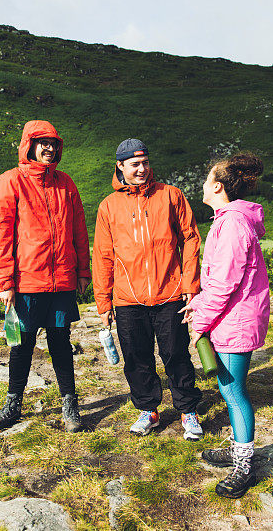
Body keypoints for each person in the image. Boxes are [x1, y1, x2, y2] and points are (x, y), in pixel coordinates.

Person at [93, 138, 204, 440]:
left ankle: (188, 411)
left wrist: (190, 284)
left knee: (176, 355)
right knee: (137, 359)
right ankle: (148, 410)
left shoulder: (171, 196)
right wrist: (104, 305)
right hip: (128, 299)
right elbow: (102, 256)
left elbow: (191, 238)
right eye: (134, 164)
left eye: (145, 163)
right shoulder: (108, 207)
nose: (142, 169)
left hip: (170, 294)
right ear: (120, 166)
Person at [0, 120, 91, 433]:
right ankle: (13, 405)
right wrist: (5, 283)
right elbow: (0, 236)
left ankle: (70, 406)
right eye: (42, 142)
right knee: (22, 344)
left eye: (53, 143)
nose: (49, 148)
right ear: (28, 145)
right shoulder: (10, 183)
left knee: (61, 342)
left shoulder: (66, 183)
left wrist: (83, 270)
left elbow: (79, 231)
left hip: (61, 283)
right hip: (26, 282)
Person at [180, 152, 270, 498]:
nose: (202, 185)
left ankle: (244, 464)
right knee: (228, 389)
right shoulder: (228, 219)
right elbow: (219, 280)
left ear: (217, 187)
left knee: (233, 392)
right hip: (230, 318)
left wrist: (200, 321)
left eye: (206, 180)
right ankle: (237, 450)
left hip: (235, 323)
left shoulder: (232, 224)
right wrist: (199, 305)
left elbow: (224, 284)